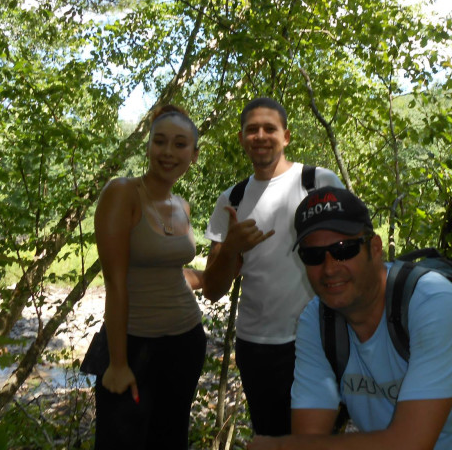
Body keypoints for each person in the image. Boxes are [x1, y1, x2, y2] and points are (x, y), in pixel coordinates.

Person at [248, 186, 452, 450]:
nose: (330, 268)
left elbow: (409, 444)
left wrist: (281, 445)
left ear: (375, 248)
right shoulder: (317, 322)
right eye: (313, 255)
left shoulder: (435, 305)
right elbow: (308, 438)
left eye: (345, 249)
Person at [204, 97, 345, 436]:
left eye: (270, 128)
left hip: (320, 338)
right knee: (270, 437)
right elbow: (212, 289)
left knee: (319, 440)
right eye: (252, 129)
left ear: (286, 136)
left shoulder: (318, 183)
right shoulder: (232, 200)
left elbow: (356, 257)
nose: (261, 135)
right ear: (241, 139)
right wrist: (232, 249)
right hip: (258, 345)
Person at [91, 105, 207, 449]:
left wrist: (232, 255)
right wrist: (117, 362)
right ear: (148, 147)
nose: (168, 152)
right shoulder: (122, 193)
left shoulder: (182, 205)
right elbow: (115, 281)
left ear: (194, 154)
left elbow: (170, 273)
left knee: (170, 439)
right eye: (160, 142)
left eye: (180, 144)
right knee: (119, 440)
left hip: (187, 341)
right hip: (133, 344)